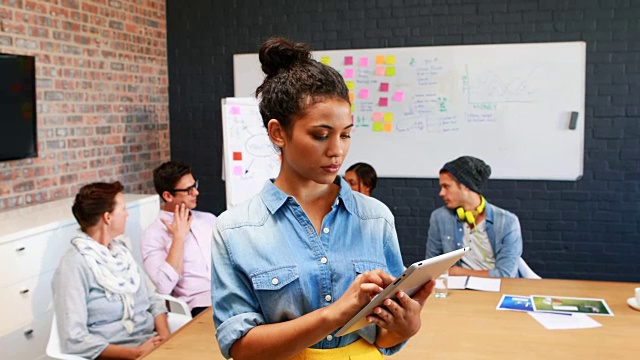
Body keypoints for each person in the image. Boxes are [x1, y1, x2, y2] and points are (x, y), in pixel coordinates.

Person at [210, 37, 434, 360]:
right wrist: (334, 314)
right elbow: (240, 348)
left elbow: (383, 337)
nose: (337, 150)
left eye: (345, 134)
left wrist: (406, 326)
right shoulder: (234, 231)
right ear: (278, 133)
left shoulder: (376, 218)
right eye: (320, 135)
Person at [52, 182, 170, 359]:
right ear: (108, 217)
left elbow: (153, 300)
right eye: (123, 209)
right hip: (119, 355)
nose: (127, 214)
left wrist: (166, 339)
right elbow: (74, 339)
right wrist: (136, 353)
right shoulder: (74, 265)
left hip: (150, 346)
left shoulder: (121, 252)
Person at [140, 161, 217, 317]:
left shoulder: (208, 220)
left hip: (230, 295)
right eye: (188, 190)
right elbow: (163, 287)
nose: (196, 193)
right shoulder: (153, 235)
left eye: (194, 186)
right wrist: (179, 238)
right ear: (168, 196)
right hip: (200, 305)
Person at [426, 156, 523, 278]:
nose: (441, 193)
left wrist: (458, 272)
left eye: (446, 186)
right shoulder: (440, 217)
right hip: (459, 290)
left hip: (499, 288)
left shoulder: (507, 221)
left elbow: (505, 274)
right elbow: (430, 268)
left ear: (465, 186)